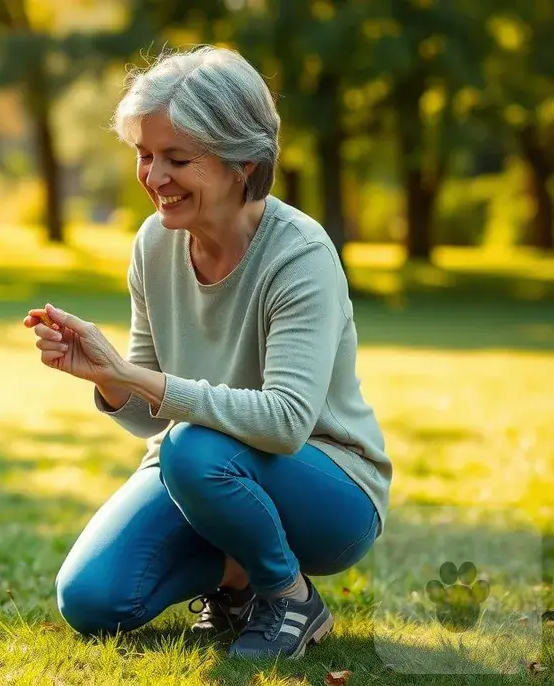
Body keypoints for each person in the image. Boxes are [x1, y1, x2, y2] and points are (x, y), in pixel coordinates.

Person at [23, 45, 391, 659]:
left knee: (191, 446)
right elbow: (149, 412)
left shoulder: (299, 254)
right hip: (199, 466)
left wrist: (138, 378)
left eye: (177, 159)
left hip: (329, 487)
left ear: (242, 161)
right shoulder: (154, 244)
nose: (153, 177)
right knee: (91, 600)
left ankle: (289, 595)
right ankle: (239, 576)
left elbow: (285, 422)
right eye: (144, 154)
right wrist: (109, 378)